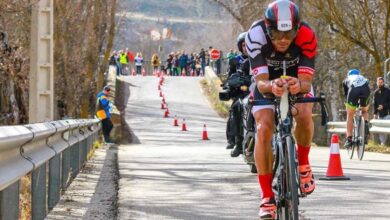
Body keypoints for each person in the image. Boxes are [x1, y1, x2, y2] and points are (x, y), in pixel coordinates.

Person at [245, 1, 317, 219]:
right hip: (267, 81)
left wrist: (299, 85)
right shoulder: (255, 35)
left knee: (304, 114)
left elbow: (306, 81)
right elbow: (261, 83)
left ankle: (303, 164)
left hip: (296, 77)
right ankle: (267, 196)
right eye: (277, 33)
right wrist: (271, 86)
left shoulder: (307, 35)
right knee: (264, 128)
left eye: (289, 33)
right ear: (268, 29)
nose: (284, 39)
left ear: (297, 28)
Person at [229, 32, 251, 157]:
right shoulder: (237, 61)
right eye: (244, 45)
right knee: (236, 107)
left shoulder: (262, 58)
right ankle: (238, 142)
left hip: (261, 92)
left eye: (249, 45)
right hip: (243, 93)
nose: (247, 47)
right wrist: (232, 84)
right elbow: (231, 78)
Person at [342, 69, 370, 148]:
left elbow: (346, 94)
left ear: (348, 75)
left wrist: (349, 106)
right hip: (366, 90)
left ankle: (349, 139)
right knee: (364, 110)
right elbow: (367, 85)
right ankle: (366, 126)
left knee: (350, 115)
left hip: (353, 90)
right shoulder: (362, 77)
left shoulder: (347, 79)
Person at [373, 77, 390, 145]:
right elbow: (374, 104)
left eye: (381, 82)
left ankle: (386, 144)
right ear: (377, 83)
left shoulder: (388, 91)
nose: (380, 84)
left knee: (386, 131)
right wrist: (375, 113)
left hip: (387, 114)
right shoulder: (376, 92)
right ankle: (383, 144)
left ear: (383, 82)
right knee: (381, 131)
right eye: (378, 82)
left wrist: (383, 106)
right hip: (380, 115)